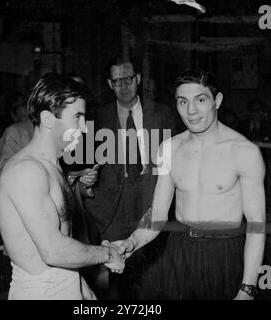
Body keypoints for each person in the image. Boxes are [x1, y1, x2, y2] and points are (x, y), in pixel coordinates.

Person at [111, 70, 266, 300]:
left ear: (218, 101)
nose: (191, 111)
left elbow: (256, 225)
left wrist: (247, 289)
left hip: (225, 252)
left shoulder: (244, 152)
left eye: (200, 100)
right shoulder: (169, 148)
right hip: (180, 250)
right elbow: (158, 215)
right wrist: (132, 242)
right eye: (183, 102)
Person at [0, 73, 124, 300]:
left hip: (65, 284)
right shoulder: (27, 171)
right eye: (77, 118)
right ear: (47, 119)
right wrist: (106, 254)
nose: (84, 129)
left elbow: (62, 240)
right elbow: (53, 251)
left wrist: (82, 286)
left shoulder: (53, 167)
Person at [84, 56, 178, 299]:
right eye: (117, 81)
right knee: (116, 278)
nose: (123, 86)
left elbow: (174, 158)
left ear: (138, 79)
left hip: (151, 197)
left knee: (153, 274)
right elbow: (85, 161)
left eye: (128, 79)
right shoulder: (99, 117)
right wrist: (88, 180)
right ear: (109, 84)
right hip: (113, 205)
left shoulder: (162, 113)